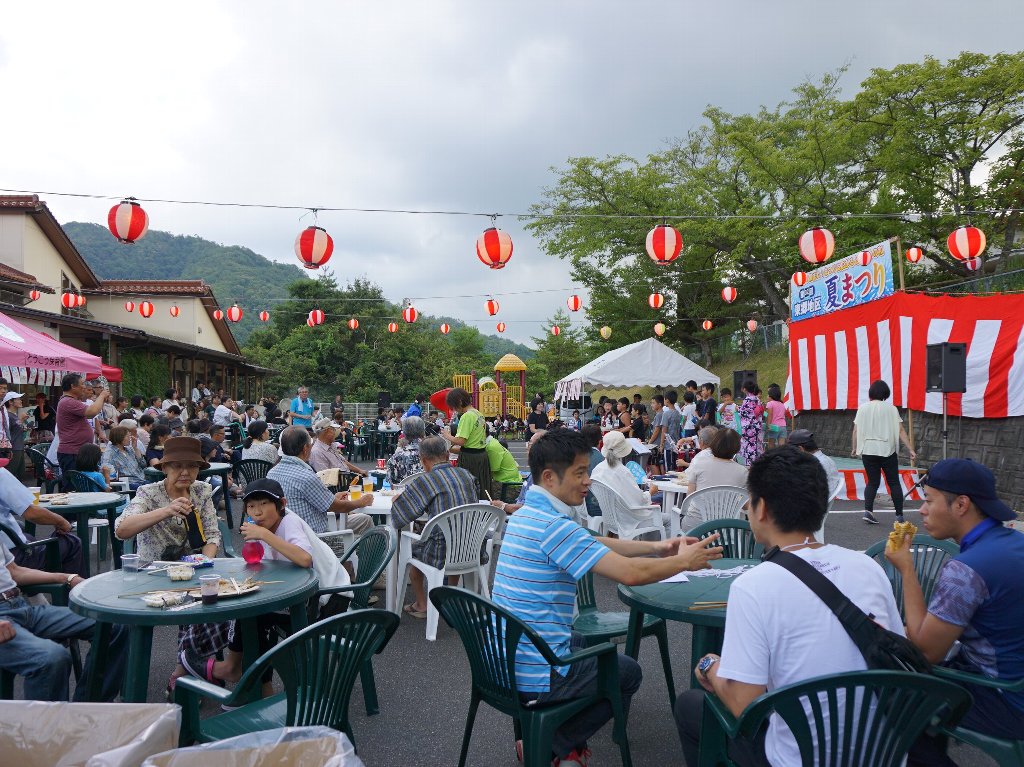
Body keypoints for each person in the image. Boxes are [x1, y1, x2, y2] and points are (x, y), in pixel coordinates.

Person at [492, 429, 723, 765]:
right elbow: (631, 574)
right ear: (549, 477)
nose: (587, 480)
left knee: (586, 644)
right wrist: (683, 562)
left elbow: (594, 542)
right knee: (626, 672)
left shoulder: (528, 514)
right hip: (534, 670)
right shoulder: (554, 526)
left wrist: (660, 546)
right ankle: (551, 742)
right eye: (580, 473)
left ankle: (550, 739)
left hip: (503, 658)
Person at [675, 446, 905, 767]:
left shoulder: (754, 586)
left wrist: (710, 667)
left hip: (799, 760)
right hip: (884, 755)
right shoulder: (867, 567)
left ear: (762, 509)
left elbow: (744, 703)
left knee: (690, 705)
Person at [884, 459, 1024, 766]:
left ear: (961, 504)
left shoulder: (967, 570)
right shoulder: (1015, 542)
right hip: (1016, 678)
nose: (921, 511)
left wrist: (906, 568)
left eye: (928, 501)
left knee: (891, 699)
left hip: (1007, 699)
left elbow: (926, 651)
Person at [196, 478, 349, 697]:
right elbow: (264, 561)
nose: (256, 512)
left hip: (330, 599)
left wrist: (264, 536)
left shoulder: (289, 523)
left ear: (282, 504)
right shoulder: (265, 527)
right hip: (307, 594)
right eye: (251, 506)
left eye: (263, 504)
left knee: (255, 613)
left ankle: (241, 674)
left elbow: (304, 559)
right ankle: (256, 684)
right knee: (252, 610)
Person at [114, 436, 224, 691]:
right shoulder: (148, 493)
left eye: (192, 466)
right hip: (152, 574)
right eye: (177, 466)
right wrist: (167, 510)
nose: (185, 472)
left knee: (214, 600)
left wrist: (203, 561)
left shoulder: (201, 491)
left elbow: (212, 534)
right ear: (164, 468)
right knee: (194, 606)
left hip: (192, 570)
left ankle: (183, 669)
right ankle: (193, 673)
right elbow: (122, 529)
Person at [0, 541, 127, 701]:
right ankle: (49, 725)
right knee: (51, 658)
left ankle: (87, 710)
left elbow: (14, 572)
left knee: (114, 623)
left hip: (21, 607)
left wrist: (67, 577)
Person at [390, 437, 480, 618]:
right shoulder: (467, 475)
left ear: (423, 460)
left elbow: (402, 515)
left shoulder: (427, 481)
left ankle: (422, 605)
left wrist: (396, 501)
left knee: (413, 549)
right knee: (453, 536)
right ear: (447, 455)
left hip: (441, 550)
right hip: (471, 547)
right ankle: (448, 596)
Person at [267, 426, 372, 536]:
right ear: (305, 448)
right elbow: (339, 507)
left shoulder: (272, 473)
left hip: (287, 535)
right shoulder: (306, 475)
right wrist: (362, 502)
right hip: (316, 538)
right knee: (365, 520)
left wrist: (333, 498)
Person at [852, 379, 916, 525]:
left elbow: (856, 430)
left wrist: (854, 447)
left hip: (868, 450)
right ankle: (899, 516)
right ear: (885, 394)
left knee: (872, 482)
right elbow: (900, 430)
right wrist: (910, 449)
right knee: (893, 482)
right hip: (887, 450)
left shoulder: (862, 408)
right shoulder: (891, 409)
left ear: (871, 393)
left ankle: (868, 511)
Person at [0, 465, 84, 576]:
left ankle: (36, 588)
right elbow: (31, 512)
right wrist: (61, 521)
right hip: (9, 558)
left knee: (24, 532)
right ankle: (73, 588)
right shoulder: (1, 474)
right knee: (72, 542)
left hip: (7, 547)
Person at [591, 431, 665, 538]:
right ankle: (655, 552)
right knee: (666, 519)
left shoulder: (598, 469)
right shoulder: (622, 471)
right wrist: (650, 492)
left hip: (610, 519)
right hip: (628, 520)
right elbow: (638, 501)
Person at [681, 428, 748, 532]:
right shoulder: (743, 472)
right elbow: (746, 505)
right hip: (727, 529)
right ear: (737, 448)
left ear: (714, 444)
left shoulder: (698, 463)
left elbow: (689, 497)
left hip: (696, 527)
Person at [55, 373, 109, 485]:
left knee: (81, 486)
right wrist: (102, 395)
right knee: (73, 488)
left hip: (77, 452)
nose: (84, 387)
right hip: (72, 453)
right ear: (72, 386)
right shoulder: (68, 402)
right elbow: (92, 412)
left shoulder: (70, 401)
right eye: (82, 384)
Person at [441, 388, 491, 499]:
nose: (454, 409)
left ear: (459, 402)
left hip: (470, 458)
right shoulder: (478, 414)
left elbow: (461, 441)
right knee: (482, 487)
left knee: (469, 488)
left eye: (454, 406)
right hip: (482, 455)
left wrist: (447, 435)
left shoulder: (467, 416)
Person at [787, 429, 841, 497]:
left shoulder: (812, 465)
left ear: (800, 449)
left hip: (813, 504)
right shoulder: (828, 460)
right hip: (824, 501)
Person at [101, 424, 147, 490]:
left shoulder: (129, 449)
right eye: (128, 436)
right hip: (127, 484)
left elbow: (143, 465)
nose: (130, 438)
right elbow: (105, 470)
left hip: (141, 480)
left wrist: (135, 448)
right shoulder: (110, 453)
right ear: (120, 437)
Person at [387, 415, 426, 484]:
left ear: (404, 433)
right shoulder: (433, 451)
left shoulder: (397, 456)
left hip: (405, 492)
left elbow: (391, 482)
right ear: (423, 431)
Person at [737, 380, 764, 466]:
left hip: (749, 429)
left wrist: (738, 410)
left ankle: (750, 467)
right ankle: (758, 465)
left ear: (744, 389)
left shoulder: (747, 400)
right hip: (757, 426)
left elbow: (744, 414)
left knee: (749, 448)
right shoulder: (757, 399)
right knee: (757, 446)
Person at [2, 392, 25, 480]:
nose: (20, 401)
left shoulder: (13, 415)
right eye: (18, 399)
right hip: (13, 448)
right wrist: (21, 420)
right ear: (10, 402)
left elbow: (15, 428)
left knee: (20, 474)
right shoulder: (7, 415)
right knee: (11, 474)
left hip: (19, 447)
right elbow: (7, 431)